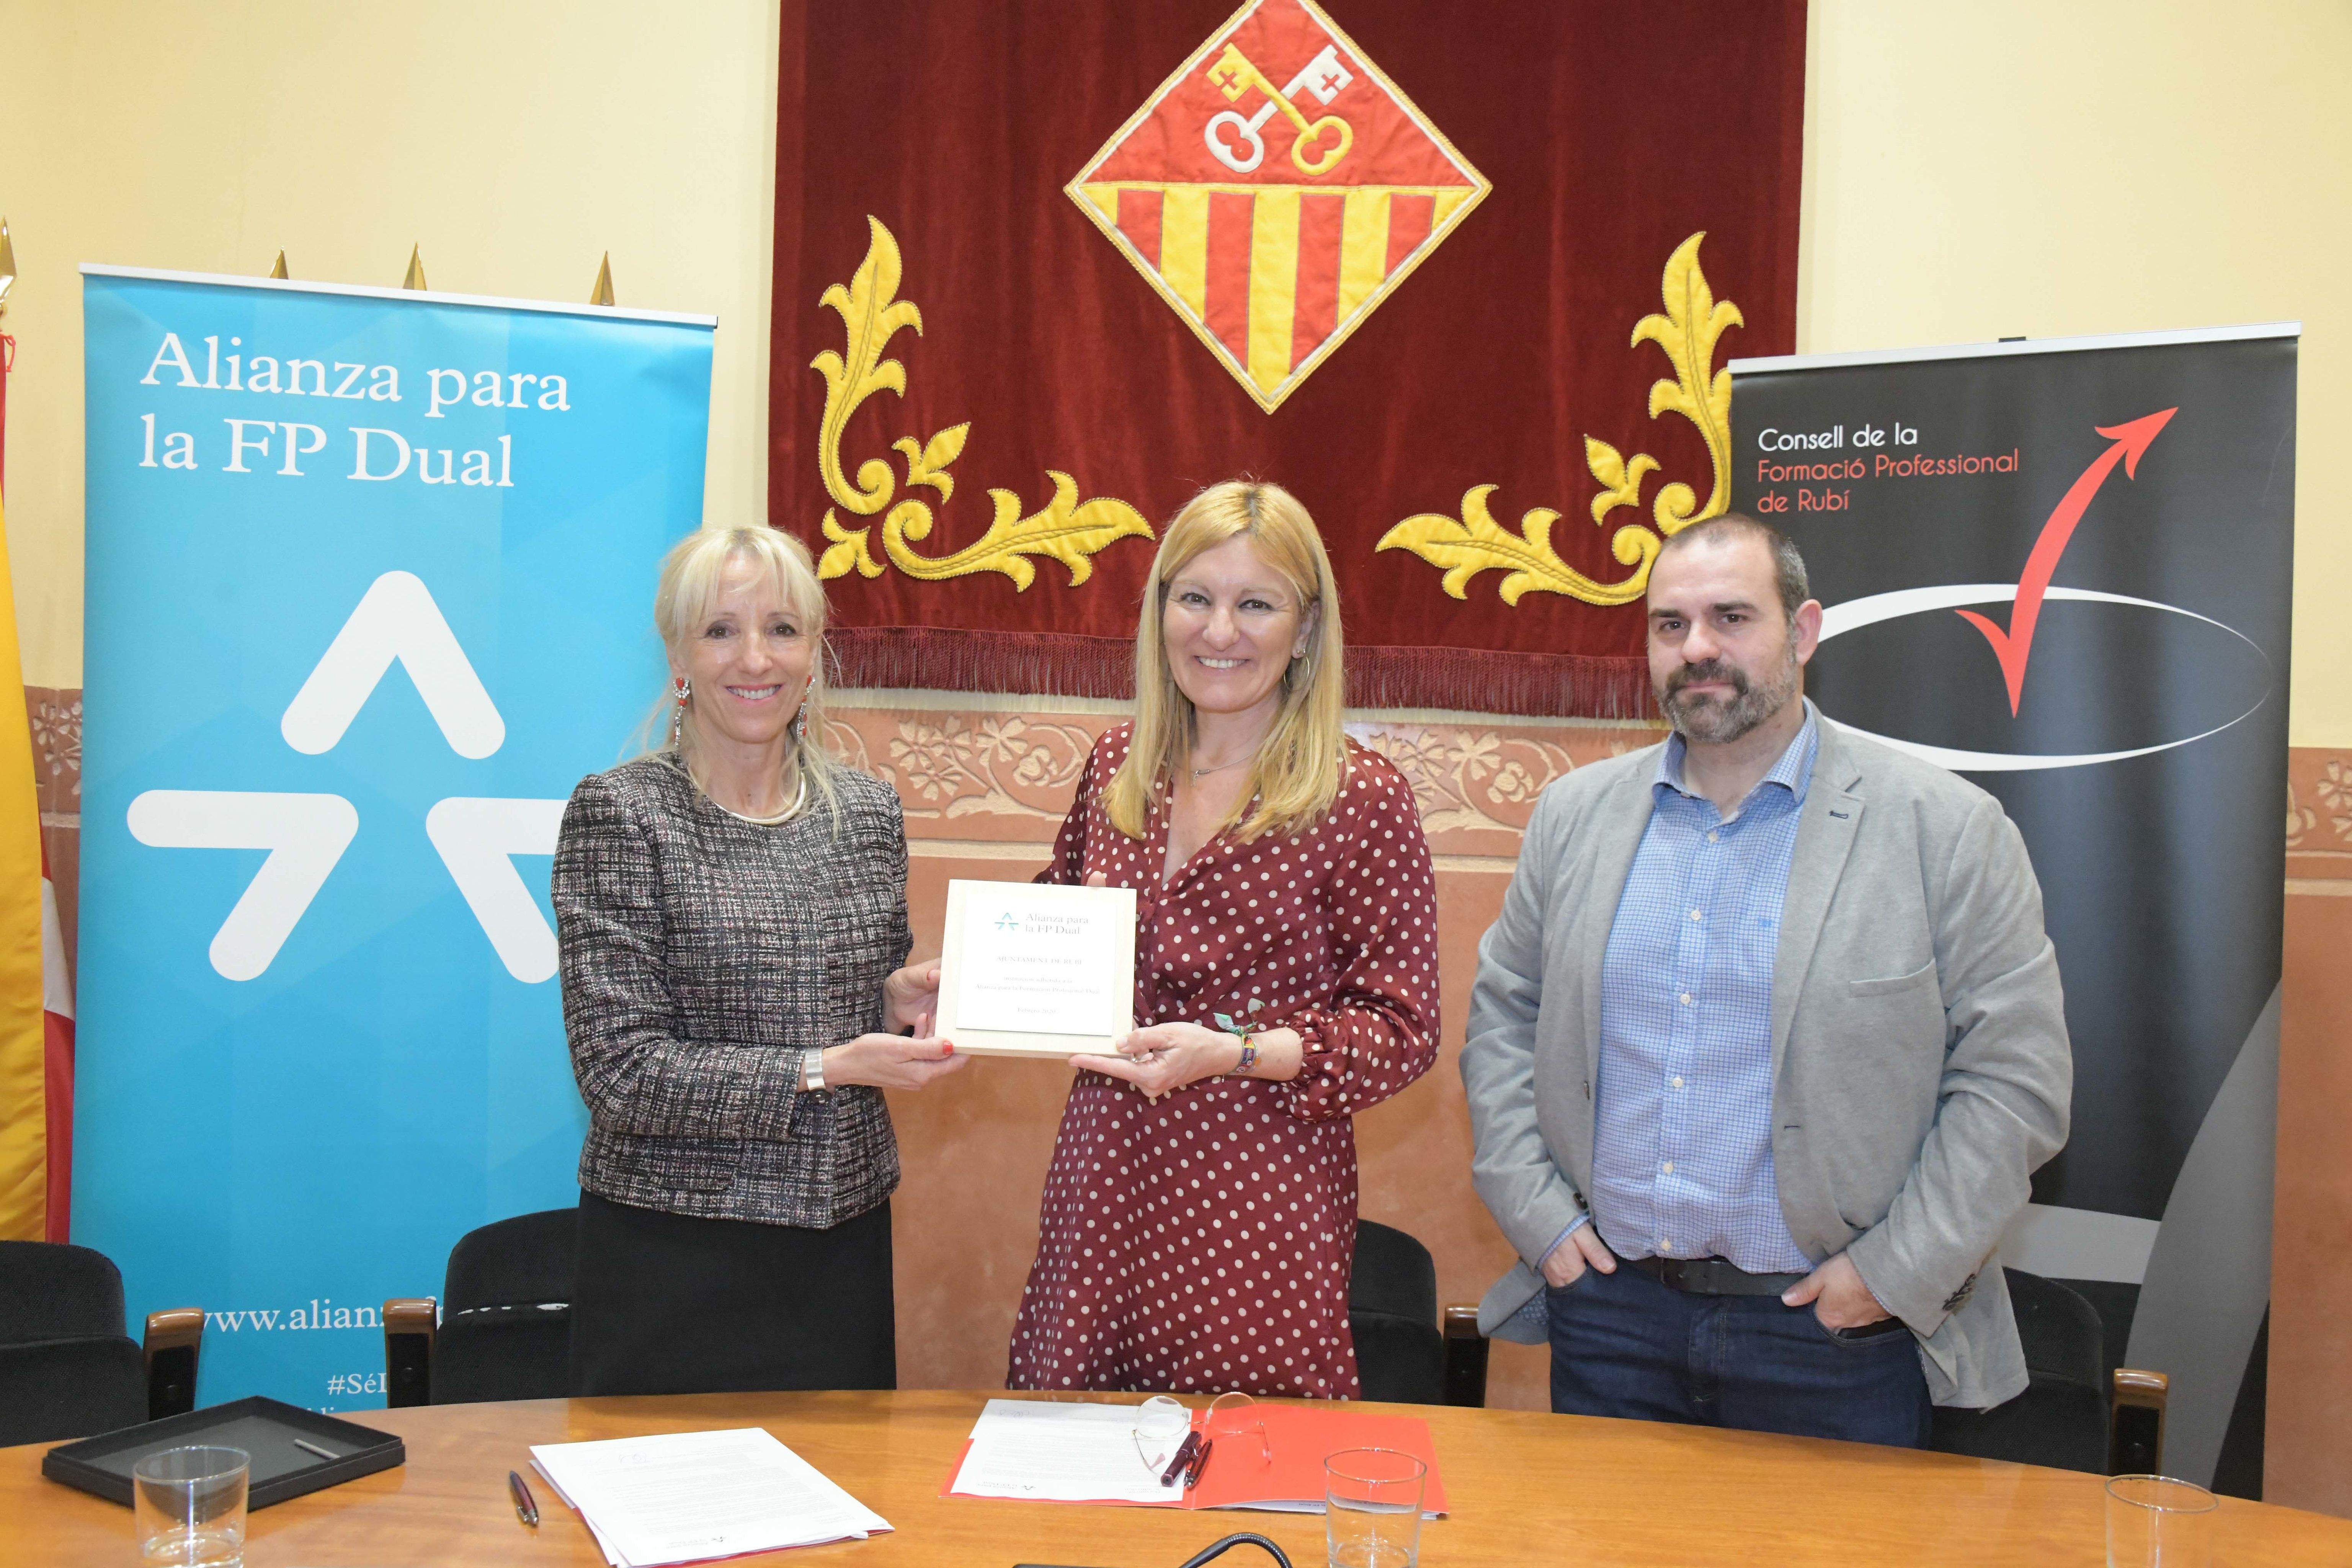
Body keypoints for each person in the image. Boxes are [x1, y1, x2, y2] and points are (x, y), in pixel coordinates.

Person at [1460, 512, 2071, 1446]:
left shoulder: (1945, 828)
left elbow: (2015, 1083)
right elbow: (1504, 1019)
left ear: (1805, 629)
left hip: (1833, 1337)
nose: (1698, 648)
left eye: (1731, 616)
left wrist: (1890, 1274)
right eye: (1671, 625)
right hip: (1611, 1320)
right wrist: (1542, 1223)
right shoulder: (1574, 816)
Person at [1005, 480, 1441, 1399]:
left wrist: (1237, 1052)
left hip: (1256, 1197)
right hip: (1105, 1179)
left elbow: (1403, 1030)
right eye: (1195, 597)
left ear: (1306, 627)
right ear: (1160, 609)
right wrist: (966, 974)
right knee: (1072, 1483)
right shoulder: (1116, 766)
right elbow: (1062, 919)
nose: (1220, 631)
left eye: (1256, 603)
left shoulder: (1362, 798)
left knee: (1241, 1484)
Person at [553, 525, 965, 1397]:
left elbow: (847, 1010)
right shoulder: (622, 812)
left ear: (814, 653)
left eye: (782, 628)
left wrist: (894, 1002)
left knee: (844, 1519)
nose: (756, 657)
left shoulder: (867, 810)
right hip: (674, 1254)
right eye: (721, 630)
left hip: (840, 1247)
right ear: (678, 656)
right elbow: (620, 1071)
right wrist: (822, 1068)